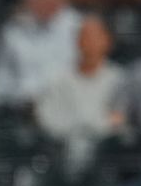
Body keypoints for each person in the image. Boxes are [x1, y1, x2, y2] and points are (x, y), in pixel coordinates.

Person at [35, 15, 126, 145]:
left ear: (108, 41)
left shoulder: (120, 80)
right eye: (85, 37)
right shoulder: (58, 79)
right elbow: (47, 118)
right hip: (64, 147)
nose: (90, 44)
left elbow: (121, 120)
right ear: (77, 42)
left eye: (96, 38)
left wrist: (95, 127)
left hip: (108, 150)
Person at [0, 0, 83, 108]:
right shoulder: (12, 30)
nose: (35, 2)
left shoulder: (80, 29)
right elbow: (1, 81)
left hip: (66, 109)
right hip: (18, 110)